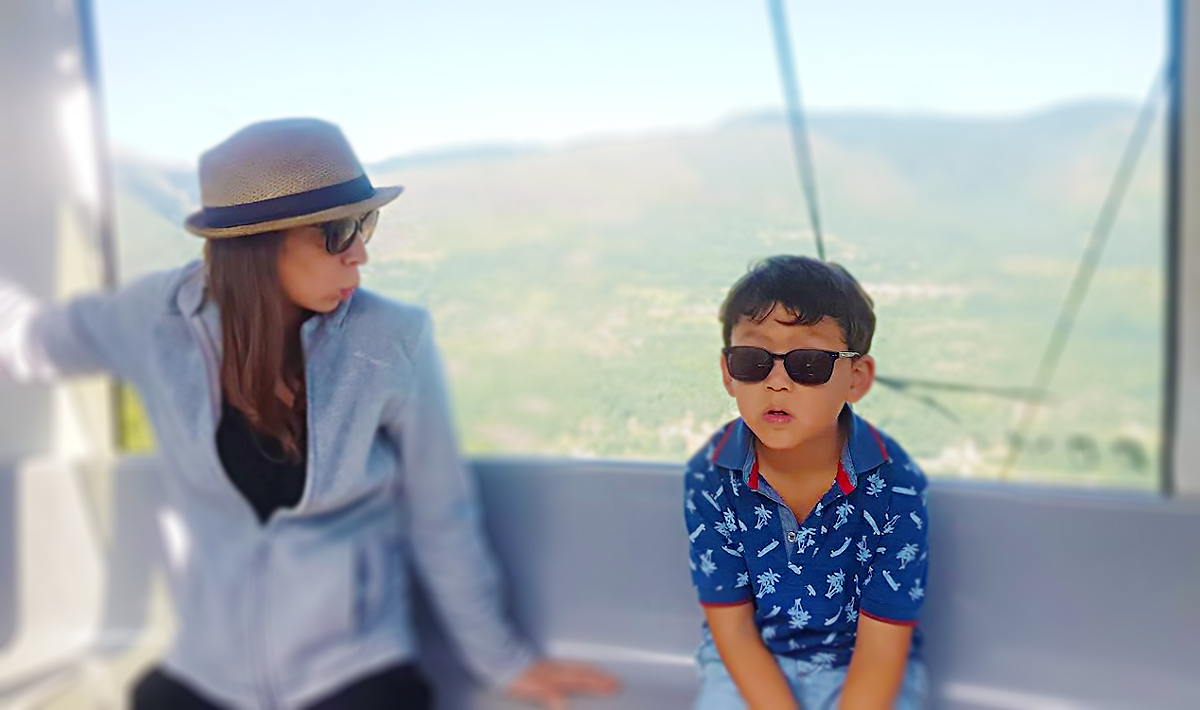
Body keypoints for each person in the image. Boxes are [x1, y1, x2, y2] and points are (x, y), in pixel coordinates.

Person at [0, 118, 619, 710]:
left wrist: (504, 663)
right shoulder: (151, 319)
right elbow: (30, 339)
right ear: (257, 245)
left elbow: (441, 515)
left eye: (365, 224)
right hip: (206, 669)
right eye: (339, 232)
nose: (361, 256)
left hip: (354, 668)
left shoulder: (393, 339)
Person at [684, 255, 929, 709]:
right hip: (752, 663)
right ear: (728, 373)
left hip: (859, 665)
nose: (777, 382)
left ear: (856, 378)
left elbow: (881, 651)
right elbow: (733, 632)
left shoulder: (896, 484)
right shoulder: (711, 474)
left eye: (810, 363)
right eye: (752, 360)